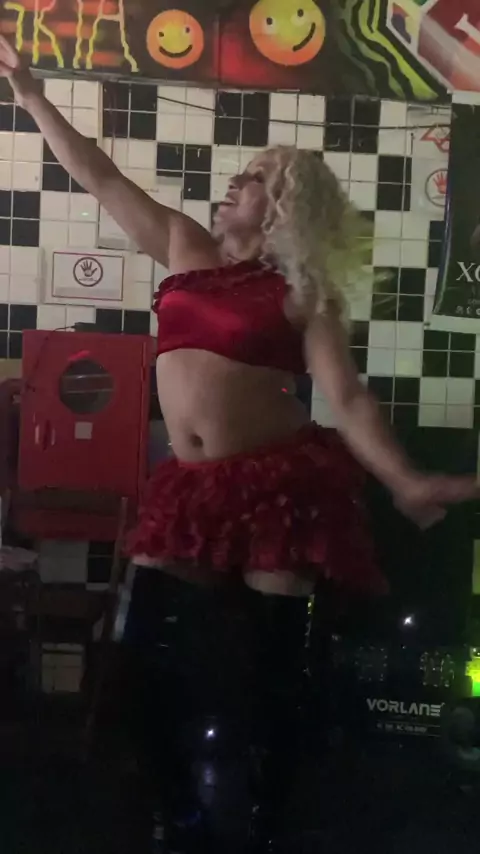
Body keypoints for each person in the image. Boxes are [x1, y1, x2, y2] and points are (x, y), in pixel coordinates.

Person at [1, 37, 477, 853]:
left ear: (285, 204)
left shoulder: (302, 293)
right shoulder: (183, 246)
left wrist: (404, 479)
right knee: (149, 663)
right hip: (193, 487)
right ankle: (175, 815)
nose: (236, 182)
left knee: (264, 681)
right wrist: (34, 95)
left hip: (278, 486)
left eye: (255, 177)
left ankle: (265, 823)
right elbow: (102, 178)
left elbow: (347, 397)